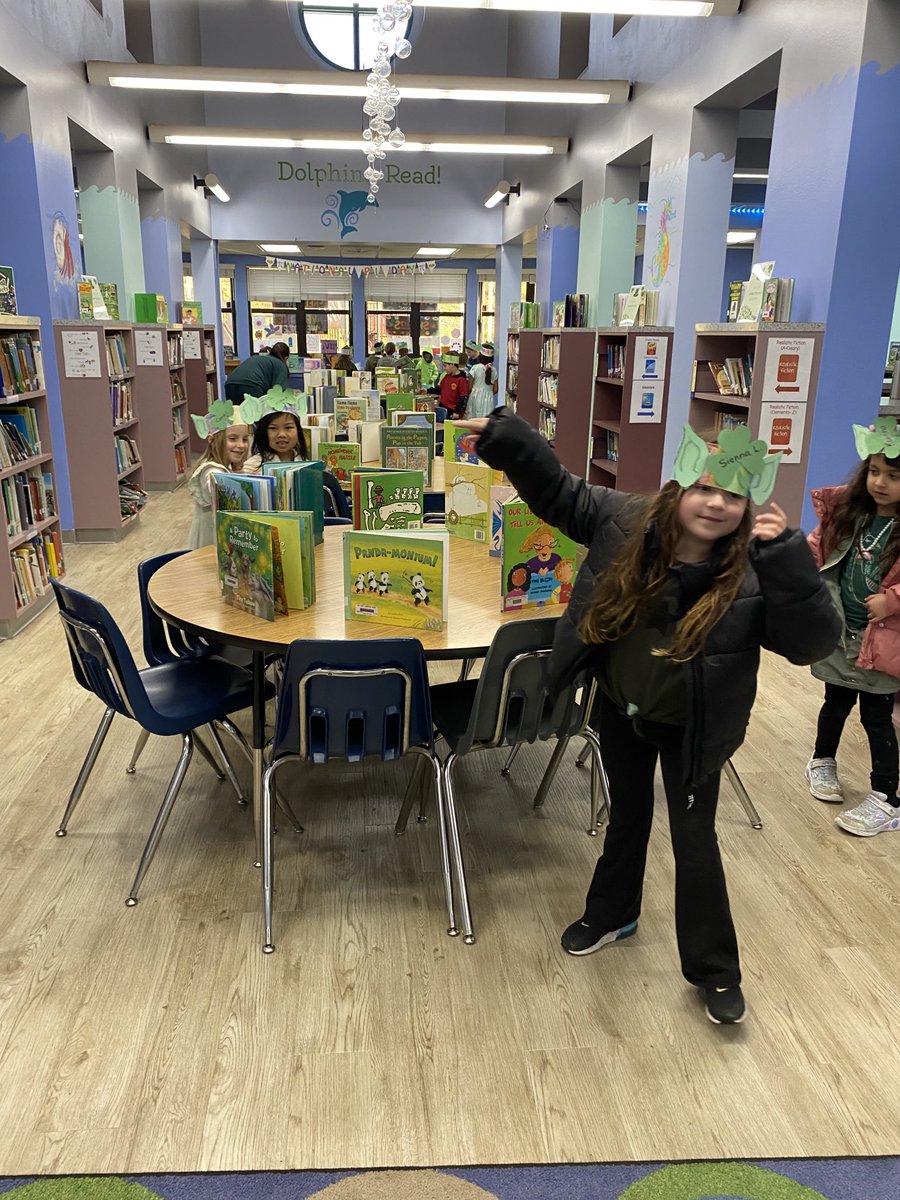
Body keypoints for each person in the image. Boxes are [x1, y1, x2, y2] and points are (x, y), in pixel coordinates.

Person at [456, 410, 840, 1026]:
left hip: (694, 726)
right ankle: (613, 912)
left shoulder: (753, 572)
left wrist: (791, 564)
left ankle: (715, 971)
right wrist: (509, 438)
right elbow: (558, 491)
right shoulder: (623, 521)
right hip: (621, 707)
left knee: (695, 844)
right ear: (679, 484)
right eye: (705, 488)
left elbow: (811, 644)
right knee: (626, 817)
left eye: (733, 495)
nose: (716, 504)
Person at [805, 420, 900, 837]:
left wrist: (892, 600)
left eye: (895, 476)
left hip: (882, 642)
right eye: (876, 471)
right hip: (843, 635)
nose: (881, 482)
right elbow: (818, 547)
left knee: (877, 717)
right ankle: (821, 761)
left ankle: (887, 798)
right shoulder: (850, 513)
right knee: (835, 702)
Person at [187, 420, 251, 548]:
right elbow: (216, 485)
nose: (241, 445)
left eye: (245, 439)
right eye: (233, 439)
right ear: (212, 440)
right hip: (211, 543)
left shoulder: (224, 466)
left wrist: (238, 469)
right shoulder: (211, 470)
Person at [244, 409, 309, 473]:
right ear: (263, 432)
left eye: (288, 427)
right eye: (273, 428)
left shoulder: (308, 466)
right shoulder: (252, 467)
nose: (281, 434)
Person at [224, 343, 290, 403]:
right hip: (251, 386)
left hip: (230, 383)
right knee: (257, 413)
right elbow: (278, 391)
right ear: (286, 358)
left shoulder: (259, 358)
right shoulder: (281, 365)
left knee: (236, 413)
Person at [429, 352, 470, 419]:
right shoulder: (446, 376)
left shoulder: (461, 380)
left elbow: (463, 398)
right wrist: (427, 390)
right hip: (443, 408)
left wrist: (457, 412)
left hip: (452, 412)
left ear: (452, 365)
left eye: (445, 366)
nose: (444, 368)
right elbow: (440, 389)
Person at [466, 343, 499, 418]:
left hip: (475, 398)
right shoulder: (494, 370)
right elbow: (496, 390)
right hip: (488, 400)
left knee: (473, 421)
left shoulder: (475, 368)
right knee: (485, 421)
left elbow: (469, 387)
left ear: (480, 356)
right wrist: (487, 393)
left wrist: (477, 391)